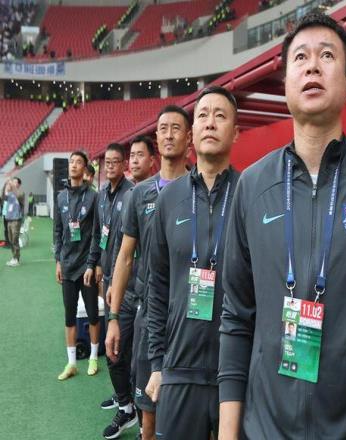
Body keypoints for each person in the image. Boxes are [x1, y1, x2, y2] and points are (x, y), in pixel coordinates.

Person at [218, 12, 346, 440]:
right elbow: (236, 318)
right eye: (300, 57)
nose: (313, 65)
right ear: (285, 84)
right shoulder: (252, 186)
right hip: (266, 430)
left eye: (327, 55)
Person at [146, 86, 240, 440]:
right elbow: (157, 286)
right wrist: (157, 363)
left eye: (220, 115)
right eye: (203, 115)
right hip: (179, 369)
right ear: (192, 133)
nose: (210, 123)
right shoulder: (169, 199)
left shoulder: (251, 194)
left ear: (235, 131)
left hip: (236, 372)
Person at [105, 108, 191, 440]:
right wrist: (114, 317)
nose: (169, 134)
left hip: (190, 316)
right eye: (163, 128)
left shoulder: (200, 188)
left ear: (188, 137)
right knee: (148, 412)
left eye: (176, 128)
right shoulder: (139, 195)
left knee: (195, 412)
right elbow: (125, 257)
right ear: (157, 137)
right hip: (148, 314)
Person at [98, 136, 156, 440]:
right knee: (116, 352)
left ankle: (141, 416)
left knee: (138, 362)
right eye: (130, 155)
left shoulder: (161, 195)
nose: (133, 160)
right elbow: (118, 248)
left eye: (138, 155)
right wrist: (110, 280)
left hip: (147, 294)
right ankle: (126, 405)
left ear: (152, 161)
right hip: (123, 289)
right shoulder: (122, 196)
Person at [86, 143, 135, 438]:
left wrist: (116, 279)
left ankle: (128, 405)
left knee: (118, 347)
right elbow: (97, 234)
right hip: (107, 278)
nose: (111, 166)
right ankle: (122, 396)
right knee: (114, 342)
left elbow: (127, 249)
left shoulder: (132, 195)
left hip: (126, 282)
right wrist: (93, 263)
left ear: (124, 164)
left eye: (116, 161)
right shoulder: (102, 195)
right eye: (107, 162)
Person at [54, 151, 101, 381]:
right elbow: (58, 231)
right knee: (69, 316)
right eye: (71, 162)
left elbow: (97, 233)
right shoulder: (60, 197)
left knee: (92, 314)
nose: (73, 165)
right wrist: (58, 261)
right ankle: (72, 363)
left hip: (86, 267)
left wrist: (94, 263)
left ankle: (93, 357)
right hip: (67, 266)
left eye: (78, 162)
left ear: (85, 169)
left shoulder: (93, 197)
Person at [4, 177, 24, 266]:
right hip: (9, 219)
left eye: (15, 182)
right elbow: (4, 197)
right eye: (13, 182)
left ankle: (16, 259)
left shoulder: (21, 193)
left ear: (19, 185)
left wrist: (11, 184)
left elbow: (18, 195)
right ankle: (13, 257)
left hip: (16, 220)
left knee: (15, 240)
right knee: (11, 240)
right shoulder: (10, 194)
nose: (12, 183)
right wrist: (6, 186)